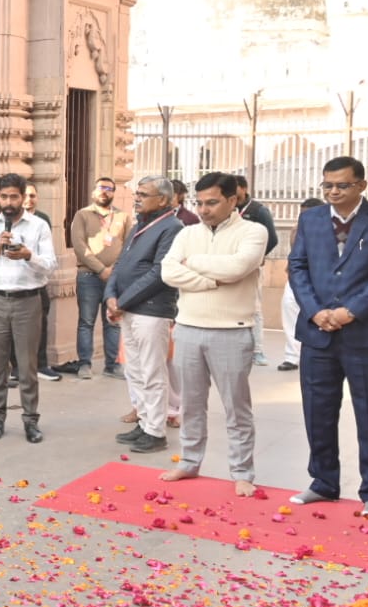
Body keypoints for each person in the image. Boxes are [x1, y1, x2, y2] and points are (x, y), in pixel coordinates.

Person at [287, 156, 368, 520]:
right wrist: (314, 311)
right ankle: (323, 482)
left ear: (361, 185)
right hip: (318, 332)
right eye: (327, 185)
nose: (333, 191)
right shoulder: (311, 219)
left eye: (341, 185)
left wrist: (351, 311)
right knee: (318, 410)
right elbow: (297, 266)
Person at [158, 171, 267, 497]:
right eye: (200, 203)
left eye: (212, 202)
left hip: (232, 332)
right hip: (189, 328)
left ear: (233, 200)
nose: (204, 209)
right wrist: (210, 279)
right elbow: (167, 271)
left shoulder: (254, 231)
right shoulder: (187, 232)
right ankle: (189, 462)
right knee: (191, 405)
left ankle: (242, 472)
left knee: (237, 408)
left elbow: (238, 268)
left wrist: (192, 263)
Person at [0, 173, 57, 444]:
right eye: (3, 196)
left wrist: (28, 255)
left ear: (23, 197)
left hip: (27, 302)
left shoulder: (39, 226)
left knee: (27, 366)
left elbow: (51, 265)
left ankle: (31, 420)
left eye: (13, 197)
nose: (8, 202)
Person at [104, 176, 183, 454]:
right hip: (128, 310)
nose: (136, 198)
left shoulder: (172, 227)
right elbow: (120, 265)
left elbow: (159, 272)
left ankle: (156, 431)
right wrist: (110, 296)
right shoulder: (139, 225)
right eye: (136, 193)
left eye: (143, 194)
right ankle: (145, 421)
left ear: (162, 199)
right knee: (135, 371)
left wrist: (122, 301)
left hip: (151, 312)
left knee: (152, 373)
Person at [68, 177, 130, 379]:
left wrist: (115, 270)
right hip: (88, 276)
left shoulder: (122, 217)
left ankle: (112, 365)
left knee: (113, 320)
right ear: (94, 191)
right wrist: (101, 269)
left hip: (115, 278)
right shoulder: (82, 215)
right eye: (102, 188)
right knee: (86, 321)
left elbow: (128, 245)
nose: (105, 192)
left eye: (110, 189)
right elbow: (79, 245)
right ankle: (84, 364)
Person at [233, 175, 279, 367]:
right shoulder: (228, 209)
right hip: (229, 265)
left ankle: (257, 350)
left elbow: (273, 238)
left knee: (255, 308)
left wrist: (256, 258)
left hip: (251, 268)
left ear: (243, 189)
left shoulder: (258, 211)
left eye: (234, 189)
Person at [278, 197, 325, 372]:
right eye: (302, 215)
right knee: (289, 307)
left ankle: (314, 355)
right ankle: (292, 357)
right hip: (297, 277)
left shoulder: (334, 232)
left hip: (321, 279)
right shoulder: (297, 230)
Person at [23, 184, 60, 382]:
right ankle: (18, 367)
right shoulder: (10, 220)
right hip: (19, 281)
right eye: (26, 195)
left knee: (41, 324)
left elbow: (47, 254)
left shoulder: (43, 220)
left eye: (33, 195)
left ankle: (41, 364)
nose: (29, 199)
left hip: (38, 280)